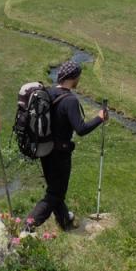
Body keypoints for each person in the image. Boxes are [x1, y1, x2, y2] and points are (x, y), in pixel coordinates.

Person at [25, 60, 108, 232]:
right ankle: (30, 224)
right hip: (60, 154)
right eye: (78, 76)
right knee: (55, 194)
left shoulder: (48, 92)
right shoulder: (70, 100)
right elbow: (81, 129)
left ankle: (64, 220)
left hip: (45, 149)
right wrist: (100, 118)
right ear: (73, 77)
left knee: (55, 190)